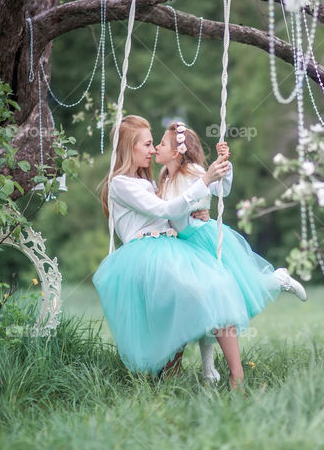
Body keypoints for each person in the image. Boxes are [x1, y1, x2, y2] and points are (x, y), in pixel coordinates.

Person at [93, 115, 250, 389]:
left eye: (155, 144)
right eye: (147, 144)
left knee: (217, 285)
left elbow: (174, 209)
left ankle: (236, 376)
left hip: (171, 246)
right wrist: (205, 180)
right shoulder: (120, 184)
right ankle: (170, 372)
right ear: (130, 148)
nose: (153, 150)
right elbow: (163, 210)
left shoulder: (151, 183)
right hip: (145, 254)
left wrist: (196, 209)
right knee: (182, 297)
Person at [155, 121, 307, 383]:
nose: (157, 147)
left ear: (177, 152)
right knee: (205, 302)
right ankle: (208, 370)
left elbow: (219, 188)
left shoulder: (192, 170)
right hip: (183, 244)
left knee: (230, 292)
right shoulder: (165, 178)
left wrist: (225, 164)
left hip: (202, 239)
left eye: (162, 144)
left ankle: (277, 279)